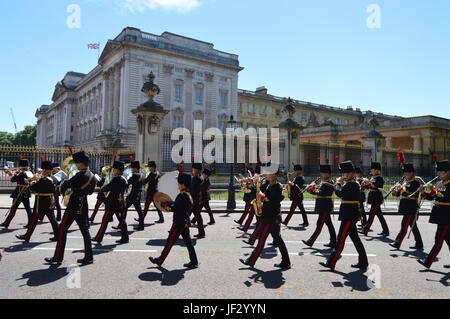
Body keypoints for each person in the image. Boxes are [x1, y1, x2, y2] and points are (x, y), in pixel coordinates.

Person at [44, 151, 96, 265]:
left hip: (73, 206)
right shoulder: (92, 176)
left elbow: (65, 186)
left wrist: (64, 182)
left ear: (81, 164)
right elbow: (91, 192)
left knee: (62, 230)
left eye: (77, 163)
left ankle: (57, 257)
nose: (76, 165)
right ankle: (89, 257)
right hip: (83, 206)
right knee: (85, 231)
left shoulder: (79, 175)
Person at [320, 161, 368, 271]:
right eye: (343, 173)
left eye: (346, 173)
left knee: (340, 239)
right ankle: (363, 261)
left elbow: (339, 193)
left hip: (349, 215)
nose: (344, 175)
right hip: (348, 214)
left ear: (351, 173)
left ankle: (331, 262)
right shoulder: (350, 183)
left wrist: (337, 183)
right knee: (356, 239)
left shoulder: (352, 184)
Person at [240, 168, 291, 269]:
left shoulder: (277, 186)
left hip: (271, 216)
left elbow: (274, 201)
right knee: (278, 240)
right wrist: (252, 183)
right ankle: (286, 262)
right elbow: (257, 190)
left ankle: (251, 261)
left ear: (275, 175)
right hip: (268, 215)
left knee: (262, 239)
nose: (267, 175)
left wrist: (263, 197)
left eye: (269, 173)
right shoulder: (268, 184)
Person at [149, 173, 199, 269]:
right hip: (184, 222)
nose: (178, 185)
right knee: (188, 243)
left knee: (169, 242)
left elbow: (175, 208)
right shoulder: (187, 195)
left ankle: (160, 260)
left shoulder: (182, 196)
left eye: (179, 183)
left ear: (183, 185)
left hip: (178, 223)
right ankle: (194, 261)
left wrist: (165, 205)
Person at [417, 160, 450, 269]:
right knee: (448, 239)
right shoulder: (440, 183)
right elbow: (433, 197)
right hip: (440, 214)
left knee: (438, 239)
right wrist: (423, 192)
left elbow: (444, 197)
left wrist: (432, 190)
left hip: (447, 216)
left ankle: (428, 262)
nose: (438, 174)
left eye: (441, 172)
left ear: (447, 172)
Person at [16, 161, 59, 242]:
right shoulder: (53, 178)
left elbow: (33, 188)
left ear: (46, 170)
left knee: (34, 219)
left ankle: (27, 236)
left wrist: (32, 182)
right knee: (52, 219)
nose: (42, 171)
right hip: (50, 200)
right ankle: (58, 235)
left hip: (41, 201)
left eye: (43, 169)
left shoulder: (44, 179)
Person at [92, 161, 129, 245]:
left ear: (118, 170)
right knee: (122, 221)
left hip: (112, 203)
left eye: (114, 169)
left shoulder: (116, 179)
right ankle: (125, 238)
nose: (113, 170)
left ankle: (98, 238)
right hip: (120, 203)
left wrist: (102, 187)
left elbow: (107, 187)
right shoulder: (124, 179)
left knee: (105, 220)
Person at [389, 163, 424, 250]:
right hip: (405, 206)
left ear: (412, 173)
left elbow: (412, 194)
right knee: (413, 226)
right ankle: (419, 243)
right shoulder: (405, 182)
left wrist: (401, 188)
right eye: (404, 172)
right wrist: (394, 191)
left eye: (407, 172)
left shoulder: (416, 183)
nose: (405, 174)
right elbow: (399, 194)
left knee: (404, 225)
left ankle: (397, 243)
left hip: (411, 207)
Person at [302, 164, 337, 248]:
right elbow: (319, 191)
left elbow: (323, 193)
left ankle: (311, 241)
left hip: (325, 206)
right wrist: (312, 188)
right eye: (321, 173)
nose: (322, 174)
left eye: (324, 173)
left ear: (328, 174)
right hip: (323, 205)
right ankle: (333, 241)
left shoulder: (329, 183)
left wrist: (311, 191)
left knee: (319, 224)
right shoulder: (324, 182)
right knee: (329, 224)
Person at [1, 159, 33, 229]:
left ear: (21, 165)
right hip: (26, 192)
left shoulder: (21, 173)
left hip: (19, 192)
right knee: (28, 209)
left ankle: (6, 223)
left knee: (13, 209)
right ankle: (31, 223)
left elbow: (12, 180)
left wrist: (15, 173)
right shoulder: (30, 172)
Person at [360, 162, 390, 236]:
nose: (372, 171)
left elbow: (378, 187)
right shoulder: (372, 178)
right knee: (380, 215)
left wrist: (370, 183)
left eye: (373, 169)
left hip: (377, 198)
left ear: (377, 170)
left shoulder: (380, 178)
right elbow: (369, 187)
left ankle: (365, 229)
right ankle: (386, 230)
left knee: (371, 214)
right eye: (372, 169)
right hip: (373, 197)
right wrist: (365, 185)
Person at [124, 161, 145, 231]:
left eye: (132, 168)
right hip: (138, 194)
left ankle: (121, 224)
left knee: (124, 208)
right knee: (139, 211)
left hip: (133, 195)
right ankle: (141, 226)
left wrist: (124, 177)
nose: (131, 169)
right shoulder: (141, 174)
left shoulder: (135, 175)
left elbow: (128, 182)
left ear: (135, 168)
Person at [190, 163, 205, 239]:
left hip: (194, 200)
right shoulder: (199, 177)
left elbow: (192, 189)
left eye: (193, 169)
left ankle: (178, 229)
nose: (192, 170)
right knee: (197, 217)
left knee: (197, 217)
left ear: (196, 170)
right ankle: (201, 232)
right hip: (196, 199)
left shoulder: (196, 178)